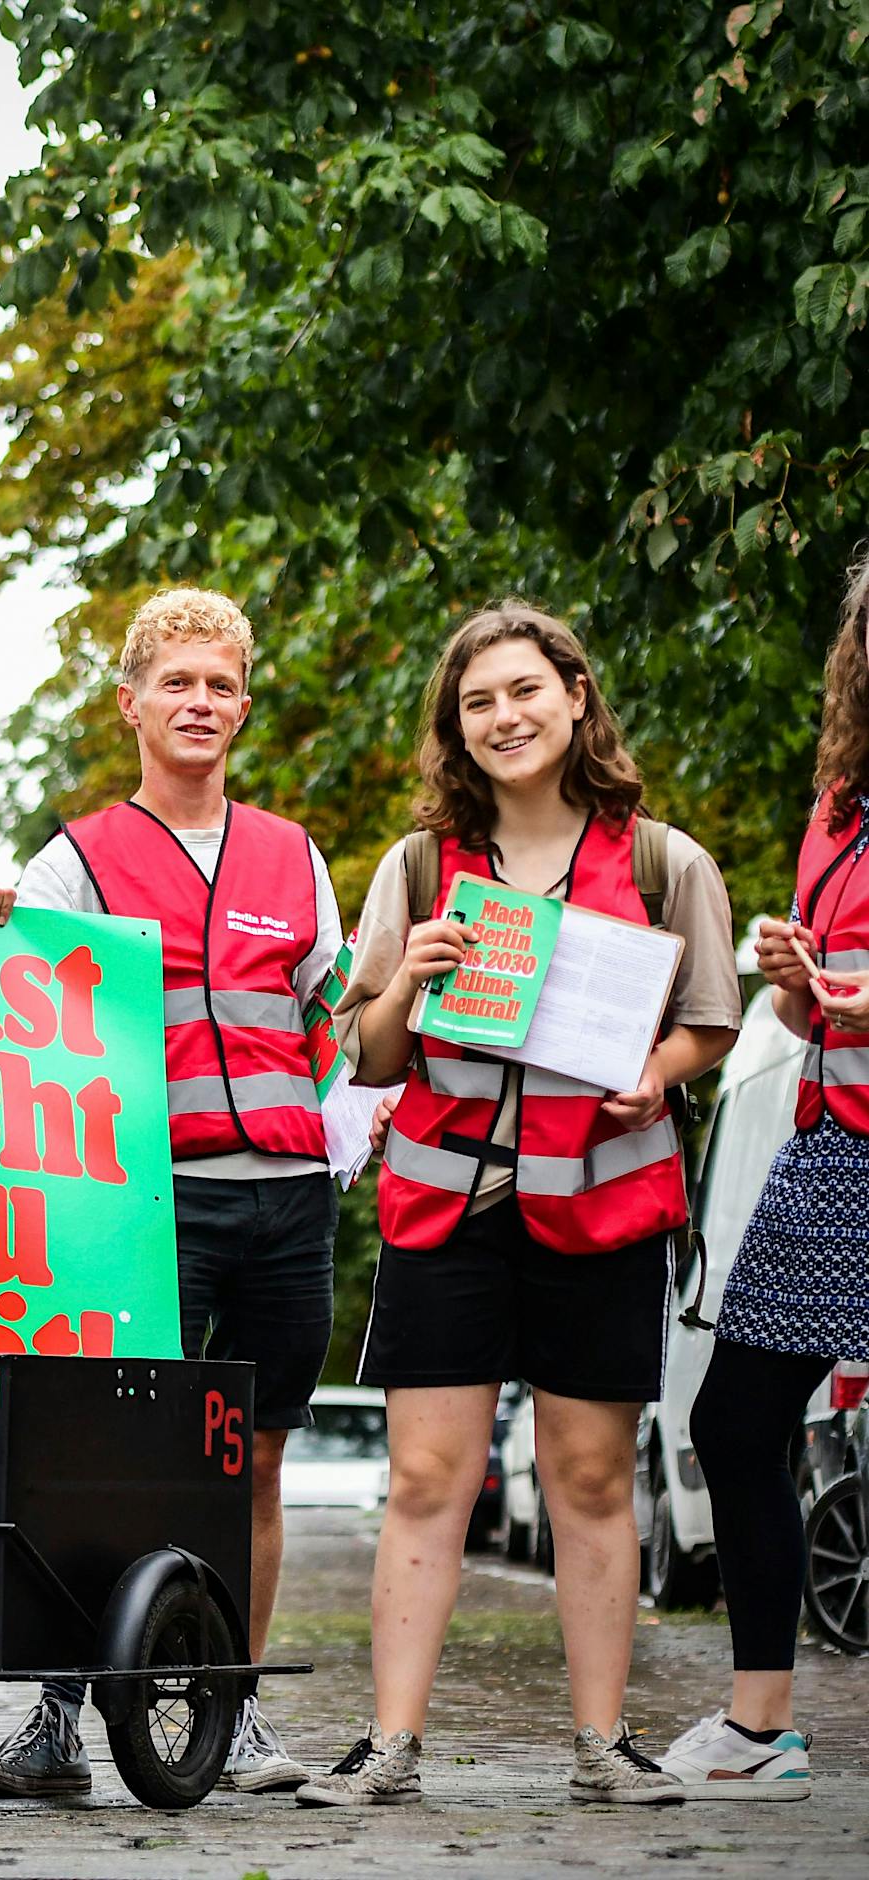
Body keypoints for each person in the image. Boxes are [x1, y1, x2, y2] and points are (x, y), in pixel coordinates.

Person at [303, 601, 741, 1808]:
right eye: (477, 699)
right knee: (426, 1478)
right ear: (456, 724)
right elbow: (374, 1056)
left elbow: (709, 1016)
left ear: (575, 698)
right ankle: (388, 1746)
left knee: (591, 1480)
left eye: (523, 690)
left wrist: (651, 1074)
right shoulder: (412, 865)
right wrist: (412, 975)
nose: (502, 715)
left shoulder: (663, 861)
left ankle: (601, 1744)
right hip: (446, 1214)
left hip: (596, 1213)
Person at [0, 587, 343, 1797]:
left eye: (220, 683)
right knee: (104, 1456)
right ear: (129, 703)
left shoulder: (294, 854)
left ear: (242, 703)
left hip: (286, 1201)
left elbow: (330, 1022)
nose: (200, 703)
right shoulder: (72, 860)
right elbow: (3, 1014)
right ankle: (58, 1723)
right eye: (176, 681)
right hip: (143, 1203)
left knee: (257, 1460)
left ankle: (232, 1715)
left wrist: (347, 1141)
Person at [659, 554, 869, 1800]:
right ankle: (758, 1723)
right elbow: (809, 1001)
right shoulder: (837, 806)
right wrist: (793, 972)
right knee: (732, 1418)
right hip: (835, 1143)